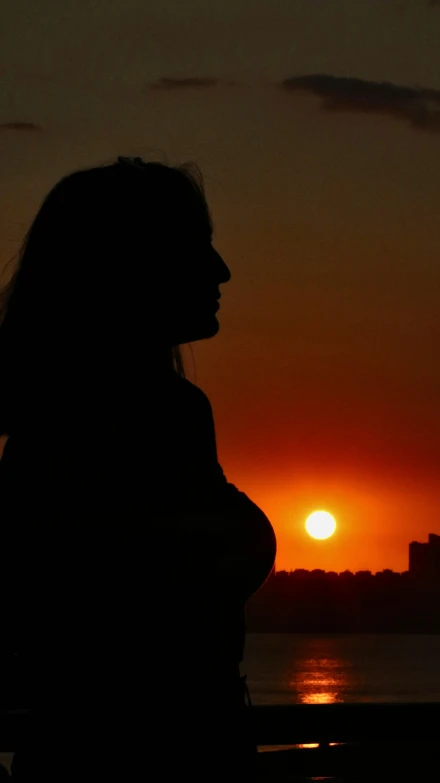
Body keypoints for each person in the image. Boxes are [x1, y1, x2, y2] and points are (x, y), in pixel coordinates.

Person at [0, 156, 276, 781]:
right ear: (133, 265)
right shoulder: (142, 419)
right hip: (157, 755)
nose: (222, 270)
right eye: (197, 247)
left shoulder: (66, 421)